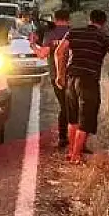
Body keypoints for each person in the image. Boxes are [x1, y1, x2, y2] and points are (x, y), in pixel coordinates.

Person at [54, 9, 109, 163]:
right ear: (103, 23)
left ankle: (71, 152)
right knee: (86, 118)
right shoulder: (103, 36)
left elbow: (59, 52)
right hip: (88, 81)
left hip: (71, 78)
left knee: (73, 118)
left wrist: (60, 75)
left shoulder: (74, 32)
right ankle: (76, 156)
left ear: (89, 20)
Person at [33, 9, 72, 149]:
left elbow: (42, 54)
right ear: (69, 18)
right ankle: (76, 138)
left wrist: (32, 44)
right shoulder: (73, 32)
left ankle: (63, 137)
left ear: (55, 18)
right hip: (74, 75)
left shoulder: (50, 33)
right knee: (74, 106)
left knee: (64, 106)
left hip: (56, 76)